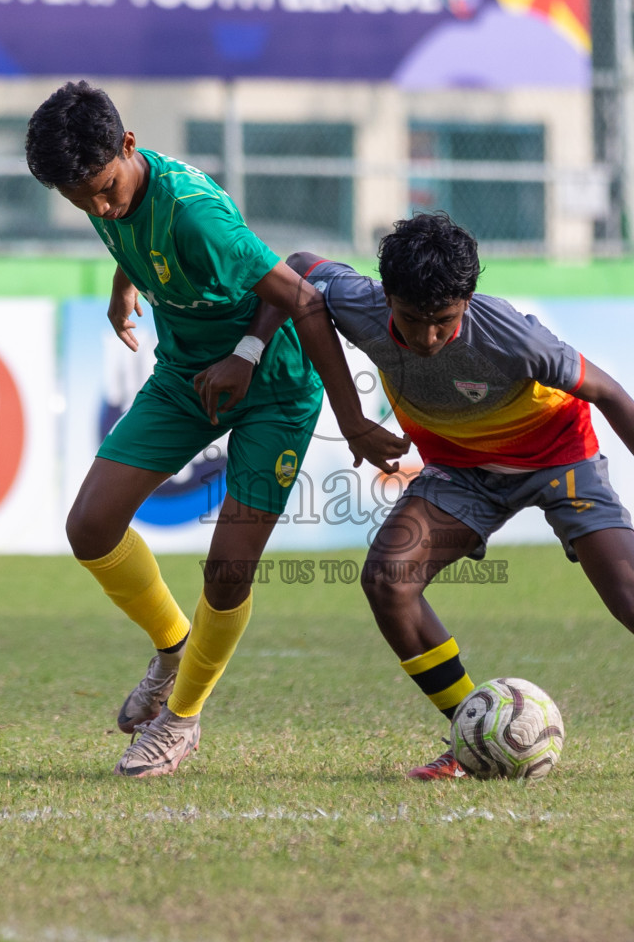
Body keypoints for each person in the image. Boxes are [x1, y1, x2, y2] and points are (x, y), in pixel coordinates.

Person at [250, 213, 634, 780]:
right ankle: (473, 737)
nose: (427, 338)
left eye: (444, 321)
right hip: (461, 469)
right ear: (387, 299)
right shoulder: (358, 301)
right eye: (411, 319)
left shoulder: (512, 336)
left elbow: (612, 395)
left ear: (469, 302)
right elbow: (296, 271)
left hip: (561, 461)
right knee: (387, 580)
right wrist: (254, 355)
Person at [24, 81, 409, 778]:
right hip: (186, 377)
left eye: (105, 190)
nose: (100, 207)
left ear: (130, 147)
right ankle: (173, 649)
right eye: (82, 200)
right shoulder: (100, 183)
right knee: (90, 527)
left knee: (227, 571)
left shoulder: (198, 220)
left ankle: (181, 721)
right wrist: (125, 284)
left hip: (275, 390)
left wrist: (351, 423)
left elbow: (303, 296)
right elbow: (126, 230)